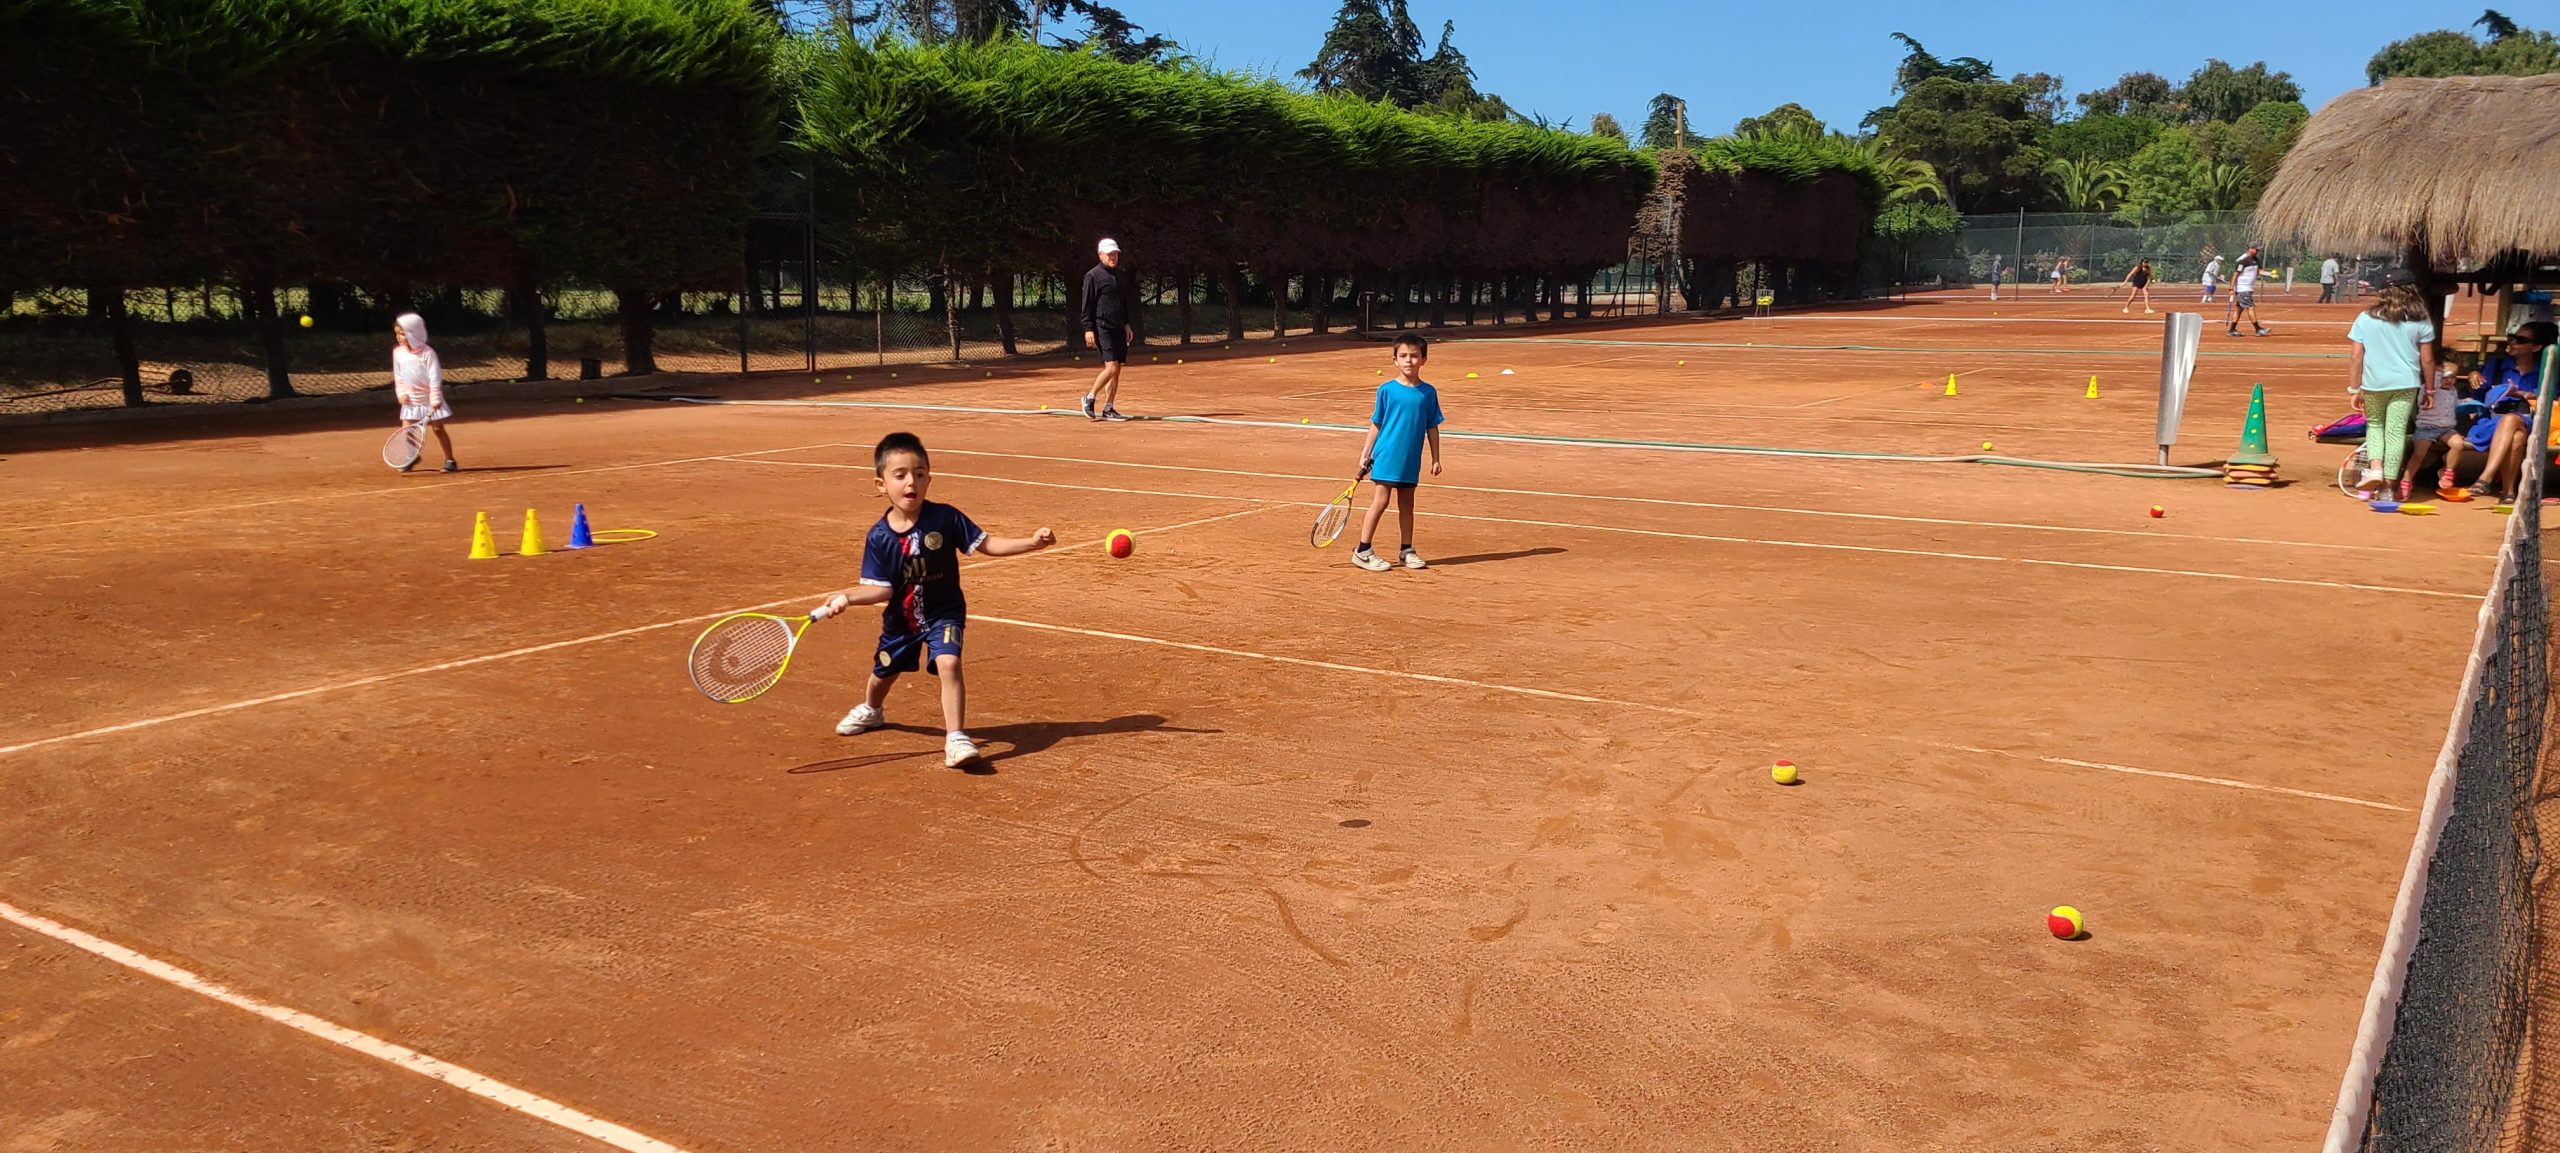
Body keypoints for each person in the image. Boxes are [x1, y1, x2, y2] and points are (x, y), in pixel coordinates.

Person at [823, 432, 1056, 768]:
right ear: (880, 484)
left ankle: (956, 737)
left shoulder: (945, 518)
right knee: (883, 674)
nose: (910, 482)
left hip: (944, 612)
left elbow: (988, 545)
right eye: (899, 474)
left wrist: (1032, 543)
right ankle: (872, 710)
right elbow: (882, 589)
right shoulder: (878, 537)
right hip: (901, 621)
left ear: (929, 479)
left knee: (949, 663)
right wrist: (848, 596)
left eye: (919, 473)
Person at [1351, 332, 1446, 573]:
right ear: (1394, 360)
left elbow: (1432, 427)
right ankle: (1362, 550)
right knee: (1380, 501)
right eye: (1403, 356)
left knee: (1407, 505)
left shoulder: (1428, 392)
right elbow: (1376, 424)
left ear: (1424, 359)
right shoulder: (1386, 390)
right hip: (1386, 456)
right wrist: (1365, 453)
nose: (1408, 361)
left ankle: (1407, 550)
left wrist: (1436, 458)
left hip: (1410, 459)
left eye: (1414, 356)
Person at [2344, 274, 2437, 497]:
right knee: (2395, 432)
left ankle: (2375, 468)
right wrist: (2430, 389)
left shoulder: (2365, 318)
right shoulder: (2420, 320)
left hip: (2375, 384)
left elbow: (2356, 357)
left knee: (2375, 425)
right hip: (2406, 383)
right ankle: (2388, 486)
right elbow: (2428, 360)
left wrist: (2355, 388)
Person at [2465, 322, 2553, 502]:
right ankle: (2509, 492)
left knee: (2512, 420)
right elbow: (2480, 394)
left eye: (2520, 340)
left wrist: (2522, 394)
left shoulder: (2546, 370)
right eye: (2511, 338)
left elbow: (2553, 397)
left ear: (2535, 347)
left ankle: (2486, 477)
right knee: (2516, 436)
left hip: (2529, 419)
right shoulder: (2496, 365)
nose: (2513, 343)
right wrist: (2473, 376)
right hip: (2492, 421)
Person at [2399, 350, 2470, 502]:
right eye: (2445, 376)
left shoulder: (2452, 391)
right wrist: (2434, 377)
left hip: (2446, 428)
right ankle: (2406, 481)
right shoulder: (2429, 389)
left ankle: (2447, 472)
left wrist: (2464, 402)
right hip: (2427, 427)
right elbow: (2427, 396)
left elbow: (2453, 404)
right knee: (2419, 453)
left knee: (2458, 444)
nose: (2449, 380)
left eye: (2453, 377)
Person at [1078, 238, 1135, 422]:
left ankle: (1109, 407)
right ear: (1100, 255)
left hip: (1118, 326)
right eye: (1110, 254)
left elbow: (1123, 302)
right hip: (1102, 327)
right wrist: (1088, 328)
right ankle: (1090, 397)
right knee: (1111, 367)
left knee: (1117, 369)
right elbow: (1087, 305)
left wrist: (1126, 324)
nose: (1113, 257)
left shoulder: (1120, 275)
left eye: (1115, 254)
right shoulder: (1092, 276)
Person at [391, 312, 457, 472]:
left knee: (438, 429)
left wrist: (435, 398)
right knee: (406, 431)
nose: (399, 338)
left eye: (402, 334)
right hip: (410, 400)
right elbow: (398, 375)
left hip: (429, 400)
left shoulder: (428, 353)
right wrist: (401, 393)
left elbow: (435, 377)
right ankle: (413, 456)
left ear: (413, 333)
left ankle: (450, 460)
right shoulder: (397, 353)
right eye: (397, 334)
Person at [2229, 246, 2270, 337]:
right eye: (2256, 249)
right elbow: (2235, 274)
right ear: (2250, 248)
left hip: (2248, 288)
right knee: (2250, 307)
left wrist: (2270, 274)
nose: (2258, 251)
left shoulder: (2255, 259)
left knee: (2239, 309)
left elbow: (2260, 272)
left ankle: (2232, 330)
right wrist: (2231, 289)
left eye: (2258, 250)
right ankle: (2258, 329)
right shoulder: (2243, 260)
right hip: (2243, 289)